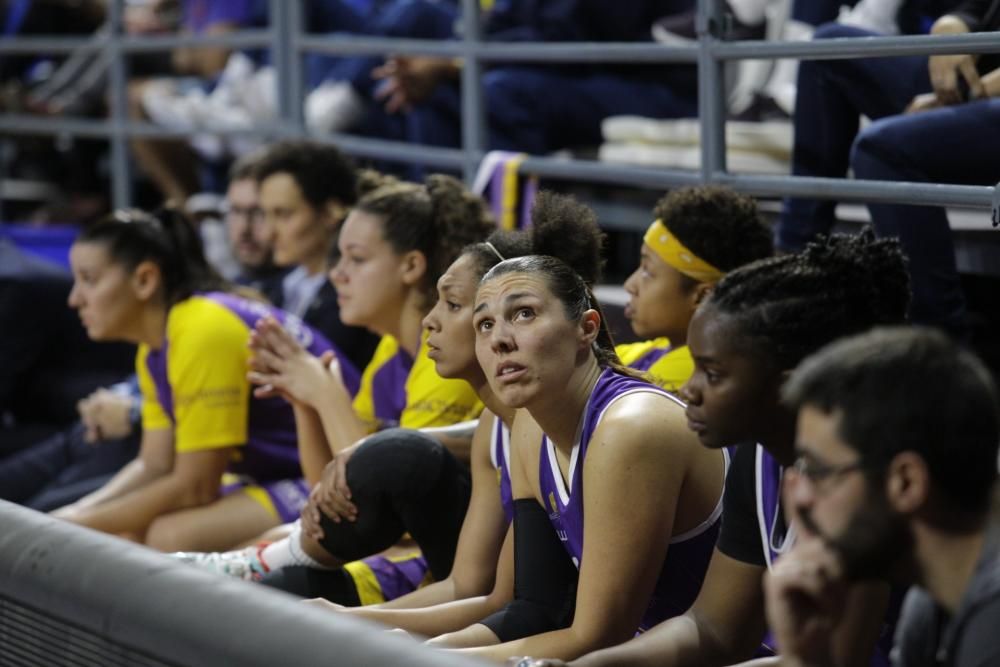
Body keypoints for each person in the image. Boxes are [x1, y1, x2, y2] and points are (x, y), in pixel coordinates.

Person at [529, 228, 911, 667]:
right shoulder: (759, 456)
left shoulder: (867, 482)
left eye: (712, 374)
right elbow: (712, 628)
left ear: (788, 389)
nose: (689, 390)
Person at [416, 250, 726, 663]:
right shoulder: (529, 427)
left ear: (587, 328)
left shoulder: (631, 428)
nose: (500, 339)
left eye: (524, 313)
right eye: (484, 324)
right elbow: (533, 607)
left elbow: (598, 636)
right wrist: (408, 647)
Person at [51, 207, 356, 551]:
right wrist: (72, 516)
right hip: (281, 472)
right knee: (129, 531)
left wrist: (72, 526)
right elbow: (155, 464)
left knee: (169, 536)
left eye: (89, 280)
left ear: (145, 280)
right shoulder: (156, 345)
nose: (74, 298)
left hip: (337, 473)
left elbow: (195, 486)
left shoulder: (201, 329)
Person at [764, 326, 1000, 666]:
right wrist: (810, 657)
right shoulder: (933, 600)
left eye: (816, 471)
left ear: (906, 482)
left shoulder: (991, 626)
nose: (798, 499)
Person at [776, 1, 1000, 336]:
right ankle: (792, 270)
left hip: (989, 91)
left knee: (881, 149)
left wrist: (975, 94)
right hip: (983, 68)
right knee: (828, 49)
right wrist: (957, 22)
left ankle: (937, 341)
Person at [252, 139, 379, 373]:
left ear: (331, 212)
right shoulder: (268, 287)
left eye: (283, 214)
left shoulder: (359, 299)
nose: (268, 234)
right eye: (265, 214)